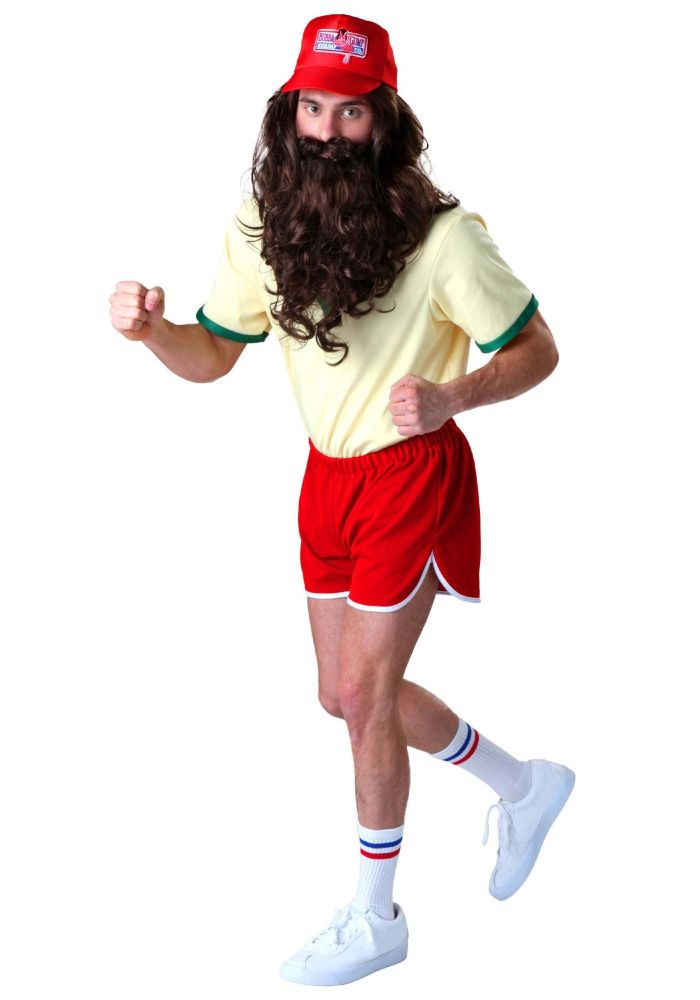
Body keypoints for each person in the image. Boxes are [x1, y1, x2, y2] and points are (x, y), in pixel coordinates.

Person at [109, 13, 575, 987]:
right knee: (341, 694)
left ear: (385, 120)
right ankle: (522, 785)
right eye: (311, 107)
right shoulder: (259, 226)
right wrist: (154, 332)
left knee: (363, 695)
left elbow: (536, 349)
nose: (326, 131)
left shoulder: (447, 239)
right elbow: (211, 357)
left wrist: (452, 396)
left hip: (410, 473)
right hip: (325, 478)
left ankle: (376, 918)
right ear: (289, 114)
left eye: (349, 113)